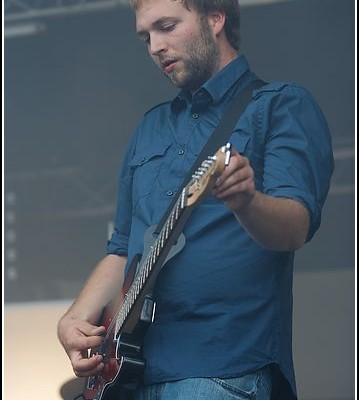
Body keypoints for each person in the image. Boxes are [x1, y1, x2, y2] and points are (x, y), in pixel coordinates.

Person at [57, 0, 334, 399]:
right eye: (145, 36)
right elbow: (122, 251)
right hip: (126, 375)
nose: (154, 46)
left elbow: (295, 227)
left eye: (166, 26)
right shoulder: (150, 128)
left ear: (215, 18)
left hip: (219, 368)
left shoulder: (280, 106)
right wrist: (73, 318)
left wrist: (246, 202)